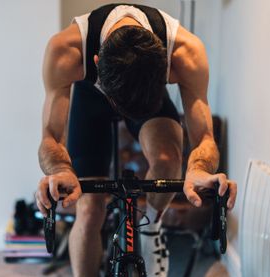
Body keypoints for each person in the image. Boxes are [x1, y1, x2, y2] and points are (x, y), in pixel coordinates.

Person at [35, 4, 237, 277]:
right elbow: (51, 137)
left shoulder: (186, 53)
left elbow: (204, 137)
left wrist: (198, 169)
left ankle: (152, 227)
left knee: (168, 161)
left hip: (147, 97)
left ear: (167, 64)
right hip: (91, 98)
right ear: (95, 62)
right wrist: (60, 170)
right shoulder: (67, 51)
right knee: (89, 209)